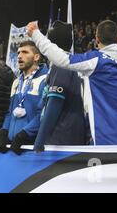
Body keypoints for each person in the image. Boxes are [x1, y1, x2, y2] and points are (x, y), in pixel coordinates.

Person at [27, 20, 117, 145]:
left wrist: (36, 35)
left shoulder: (96, 60)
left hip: (103, 141)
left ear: (97, 38)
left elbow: (62, 59)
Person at [33, 21, 87, 152]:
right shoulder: (73, 63)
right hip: (71, 136)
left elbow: (54, 104)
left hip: (61, 140)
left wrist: (39, 142)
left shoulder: (61, 65)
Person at [0, 41, 49, 155]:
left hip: (31, 146)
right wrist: (4, 131)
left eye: (25, 52)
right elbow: (10, 112)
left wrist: (25, 134)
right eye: (18, 53)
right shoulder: (16, 82)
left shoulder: (45, 79)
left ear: (36, 57)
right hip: (13, 145)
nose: (19, 56)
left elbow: (43, 114)